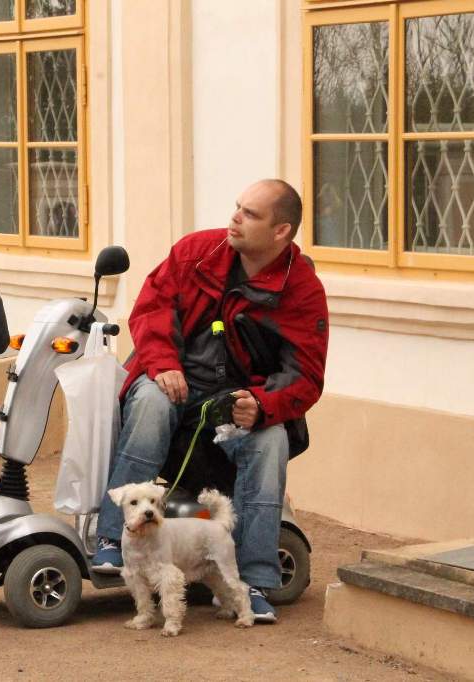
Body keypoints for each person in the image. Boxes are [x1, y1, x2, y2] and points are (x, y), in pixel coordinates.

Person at [90, 179, 329, 624]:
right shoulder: (195, 251)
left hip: (236, 404)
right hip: (173, 380)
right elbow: (151, 309)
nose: (235, 217)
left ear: (281, 231)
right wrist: (163, 363)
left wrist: (262, 404)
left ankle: (254, 580)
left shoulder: (302, 289)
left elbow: (306, 374)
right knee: (151, 403)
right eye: (238, 207)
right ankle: (110, 538)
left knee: (271, 440)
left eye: (250, 214)